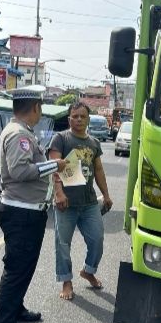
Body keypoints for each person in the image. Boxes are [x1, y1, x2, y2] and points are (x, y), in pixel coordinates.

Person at [0, 87, 67, 323]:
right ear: (35, 107)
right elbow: (20, 171)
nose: (40, 112)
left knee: (24, 267)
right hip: (21, 213)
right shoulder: (18, 135)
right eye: (41, 108)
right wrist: (53, 165)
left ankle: (16, 309)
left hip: (28, 212)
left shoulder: (22, 132)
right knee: (16, 270)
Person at [49, 102, 113, 300]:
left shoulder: (94, 143)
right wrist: (59, 193)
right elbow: (54, 166)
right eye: (75, 116)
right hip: (65, 203)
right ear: (69, 119)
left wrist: (107, 194)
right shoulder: (60, 138)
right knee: (63, 244)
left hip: (89, 203)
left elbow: (99, 170)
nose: (78, 119)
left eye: (82, 116)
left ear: (88, 119)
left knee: (97, 239)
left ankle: (88, 271)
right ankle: (66, 281)